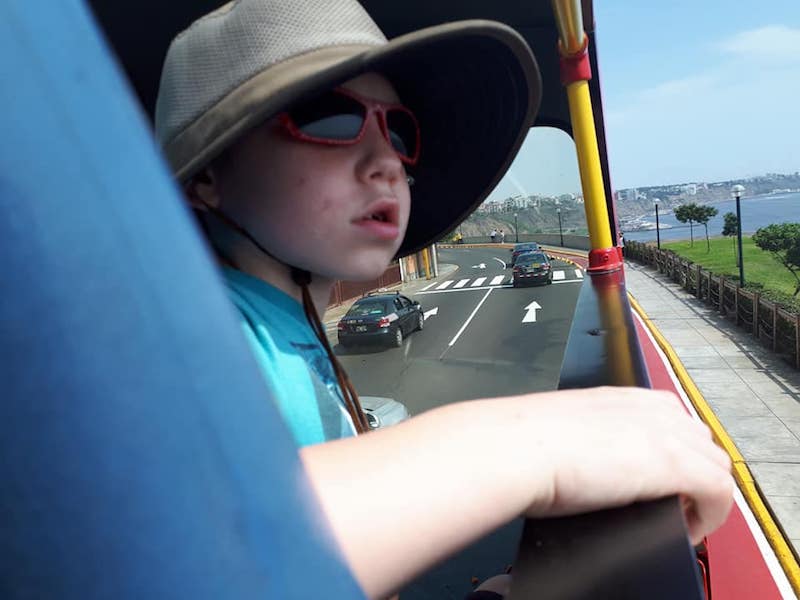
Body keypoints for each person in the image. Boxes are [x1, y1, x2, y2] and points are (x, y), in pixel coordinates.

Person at [155, 1, 734, 598]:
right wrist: (540, 449)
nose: (387, 162)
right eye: (329, 120)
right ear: (206, 176)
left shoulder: (284, 327)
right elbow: (196, 550)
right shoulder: (185, 336)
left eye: (398, 130)